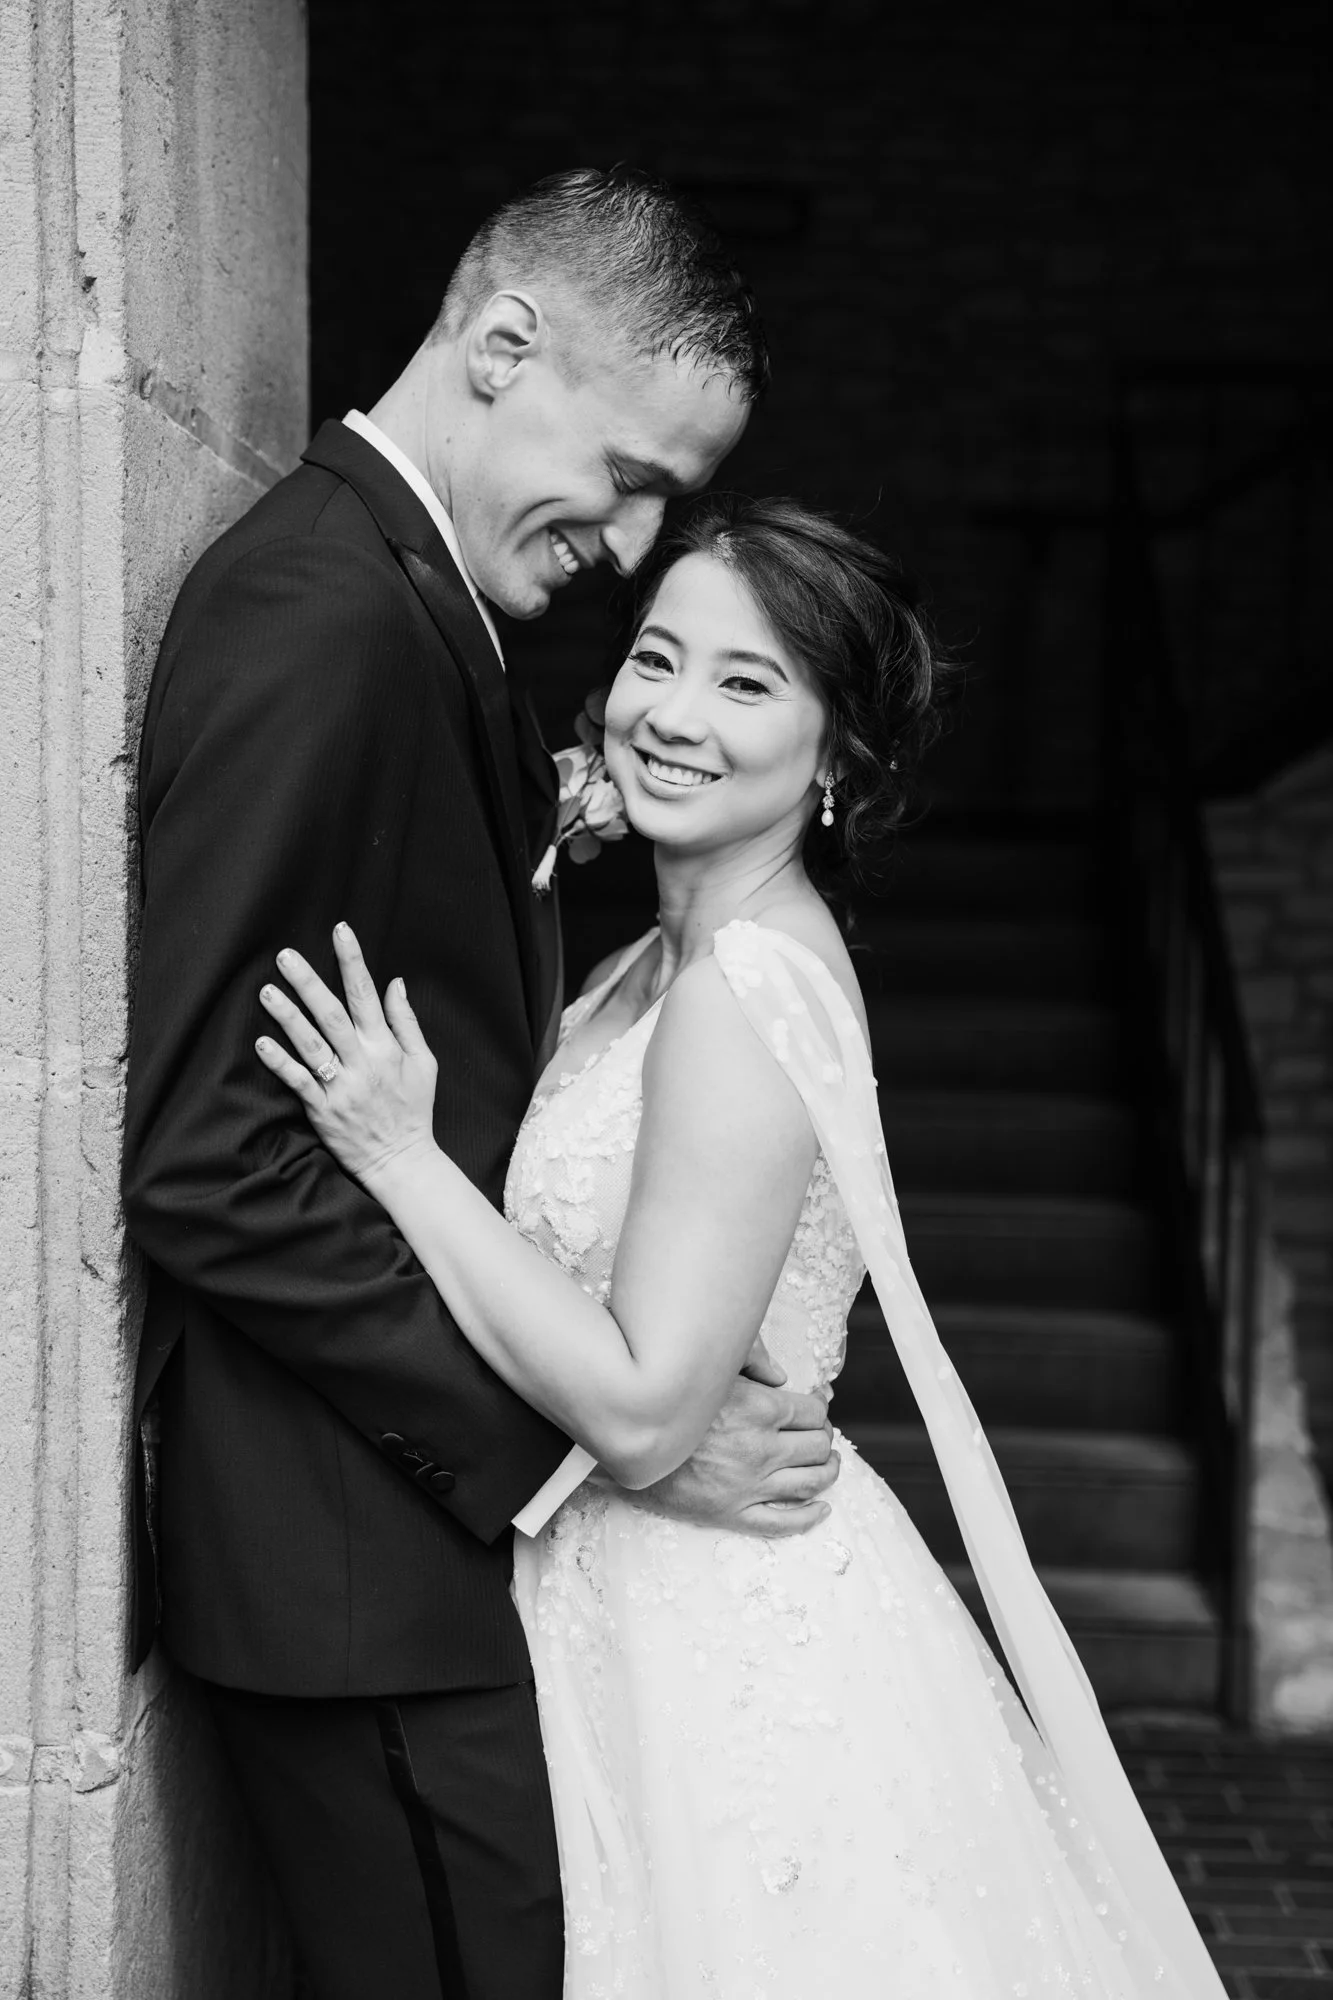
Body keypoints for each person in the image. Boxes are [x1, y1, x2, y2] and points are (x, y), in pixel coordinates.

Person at [258, 494, 1229, 1998]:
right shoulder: (663, 958)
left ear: (837, 754)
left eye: (748, 681)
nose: (674, 714)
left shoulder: (742, 997)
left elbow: (647, 1408)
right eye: (657, 660)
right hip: (622, 1599)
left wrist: (395, 1153)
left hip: (718, 1635)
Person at [121, 171, 839, 2000]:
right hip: (349, 1564)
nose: (636, 536)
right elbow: (212, 1160)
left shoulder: (415, 605)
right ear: (505, 344)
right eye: (630, 474)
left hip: (407, 1559)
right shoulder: (324, 617)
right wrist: (583, 1454)